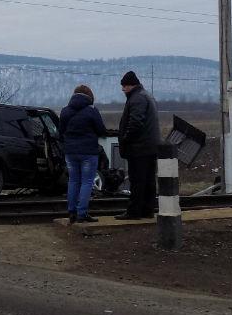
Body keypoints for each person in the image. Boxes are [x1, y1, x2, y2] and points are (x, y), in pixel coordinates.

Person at [59, 84, 108, 223]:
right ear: (90, 97)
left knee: (73, 180)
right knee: (87, 182)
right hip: (88, 152)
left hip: (70, 152)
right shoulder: (91, 111)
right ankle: (82, 213)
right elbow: (101, 130)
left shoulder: (65, 111)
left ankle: (71, 212)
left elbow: (61, 132)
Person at [116, 71, 160, 220]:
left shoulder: (137, 98)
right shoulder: (146, 95)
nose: (123, 89)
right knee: (148, 180)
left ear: (131, 85)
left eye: (124, 86)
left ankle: (134, 212)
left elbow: (135, 123)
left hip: (139, 148)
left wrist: (126, 139)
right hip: (150, 147)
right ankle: (148, 210)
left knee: (137, 181)